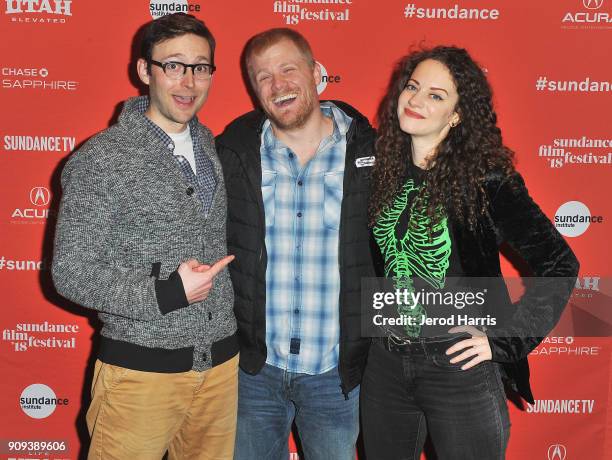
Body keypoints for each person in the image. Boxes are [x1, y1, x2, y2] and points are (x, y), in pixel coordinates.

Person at [362, 46, 579, 460]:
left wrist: (504, 340)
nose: (417, 100)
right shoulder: (380, 169)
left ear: (457, 116)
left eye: (437, 95)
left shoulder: (486, 181)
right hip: (385, 364)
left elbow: (560, 263)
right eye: (413, 87)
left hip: (457, 366)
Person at [52, 13, 239, 459]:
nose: (188, 80)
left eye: (200, 67)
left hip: (219, 370)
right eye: (173, 65)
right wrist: (169, 292)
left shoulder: (210, 147)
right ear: (144, 71)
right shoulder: (103, 158)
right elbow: (70, 273)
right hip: (140, 375)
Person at [216, 28, 376, 460]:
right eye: (263, 77)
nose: (278, 84)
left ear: (316, 72)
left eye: (288, 69)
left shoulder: (375, 155)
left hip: (336, 375)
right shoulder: (231, 155)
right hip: (253, 372)